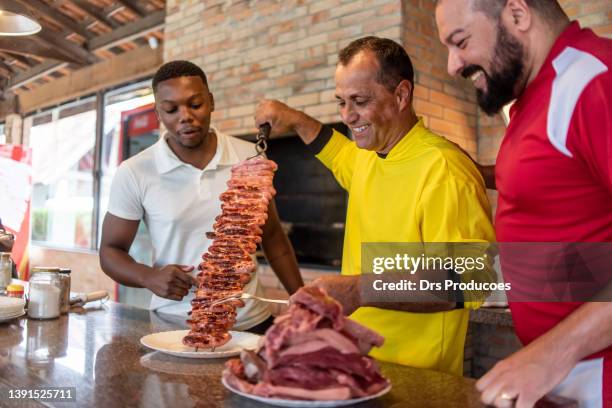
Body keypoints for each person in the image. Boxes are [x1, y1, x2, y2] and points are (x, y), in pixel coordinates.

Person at [255, 36, 495, 376]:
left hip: (418, 375)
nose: (348, 116)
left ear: (400, 95)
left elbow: (474, 278)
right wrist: (292, 118)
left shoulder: (443, 168)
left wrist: (356, 289)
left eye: (360, 101)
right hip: (356, 362)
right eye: (341, 102)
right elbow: (335, 151)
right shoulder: (368, 155)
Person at [435, 0, 612, 406]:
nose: (451, 65)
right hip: (564, 380)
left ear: (517, 14)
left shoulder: (594, 80)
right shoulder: (530, 100)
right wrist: (368, 287)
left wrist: (552, 353)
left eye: (460, 41)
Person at [100, 60, 303, 334]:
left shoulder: (248, 157)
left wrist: (302, 299)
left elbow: (274, 238)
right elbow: (110, 251)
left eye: (195, 104)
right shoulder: (135, 171)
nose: (185, 116)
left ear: (211, 102)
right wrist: (148, 276)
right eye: (171, 109)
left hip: (250, 323)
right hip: (174, 325)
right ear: (158, 114)